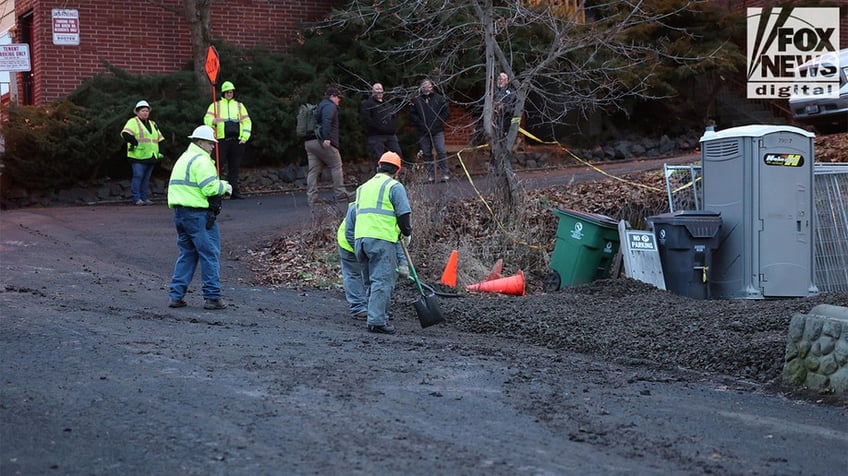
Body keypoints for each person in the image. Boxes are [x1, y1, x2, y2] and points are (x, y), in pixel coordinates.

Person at [166, 125, 232, 310]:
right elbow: (209, 188)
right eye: (211, 143)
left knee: (187, 254)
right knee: (210, 253)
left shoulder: (184, 157)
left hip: (180, 213)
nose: (213, 146)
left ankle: (175, 296)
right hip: (197, 214)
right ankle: (212, 297)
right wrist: (225, 186)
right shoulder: (202, 161)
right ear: (201, 142)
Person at [354, 152, 412, 335]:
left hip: (360, 239)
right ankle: (377, 321)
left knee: (371, 281)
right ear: (397, 170)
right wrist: (406, 232)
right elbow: (404, 214)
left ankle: (378, 313)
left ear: (378, 166)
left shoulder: (363, 187)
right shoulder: (395, 187)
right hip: (381, 240)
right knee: (382, 280)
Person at [338, 201, 409, 321]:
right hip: (348, 244)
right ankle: (359, 308)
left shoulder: (390, 214)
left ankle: (375, 309)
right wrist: (360, 252)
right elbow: (349, 233)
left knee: (377, 275)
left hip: (370, 245)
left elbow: (396, 241)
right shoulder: (357, 208)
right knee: (353, 274)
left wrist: (403, 263)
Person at [204, 81, 251, 199]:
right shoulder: (216, 105)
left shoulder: (239, 106)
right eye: (227, 92)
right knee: (217, 167)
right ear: (223, 93)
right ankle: (215, 191)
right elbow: (207, 118)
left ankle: (234, 191)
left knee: (234, 167)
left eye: (231, 92)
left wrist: (245, 137)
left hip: (237, 141)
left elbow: (247, 122)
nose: (229, 94)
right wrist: (212, 121)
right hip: (221, 140)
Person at [305, 87, 351, 207]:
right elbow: (327, 120)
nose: (339, 100)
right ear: (333, 96)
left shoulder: (321, 105)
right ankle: (340, 193)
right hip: (321, 141)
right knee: (336, 165)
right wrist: (327, 138)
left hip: (309, 142)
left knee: (313, 170)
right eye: (338, 98)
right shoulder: (330, 106)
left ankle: (312, 198)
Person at [121, 100, 165, 205]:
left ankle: (144, 198)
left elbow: (160, 138)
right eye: (142, 111)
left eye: (146, 111)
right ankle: (137, 198)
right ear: (137, 112)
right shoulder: (133, 122)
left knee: (146, 178)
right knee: (139, 176)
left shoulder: (153, 124)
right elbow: (125, 134)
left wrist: (162, 151)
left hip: (151, 155)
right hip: (138, 155)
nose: (145, 113)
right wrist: (134, 142)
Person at [410, 79, 451, 183]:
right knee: (427, 153)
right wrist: (421, 124)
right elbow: (413, 115)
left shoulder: (439, 99)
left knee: (441, 150)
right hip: (423, 131)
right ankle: (430, 175)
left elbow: (446, 112)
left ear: (432, 86)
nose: (426, 87)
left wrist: (439, 122)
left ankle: (445, 174)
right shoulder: (417, 100)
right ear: (421, 87)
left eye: (428, 85)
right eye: (424, 85)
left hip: (437, 130)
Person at [361, 82, 402, 168]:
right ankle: (379, 176)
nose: (379, 91)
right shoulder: (368, 104)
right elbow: (367, 120)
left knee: (397, 154)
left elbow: (394, 117)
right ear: (373, 91)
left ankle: (395, 175)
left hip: (390, 135)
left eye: (380, 89)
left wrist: (393, 128)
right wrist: (379, 127)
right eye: (377, 89)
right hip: (376, 136)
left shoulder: (388, 104)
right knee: (378, 158)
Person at [493, 72, 516, 141]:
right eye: (499, 79)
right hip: (492, 120)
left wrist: (503, 107)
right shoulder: (492, 91)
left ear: (507, 81)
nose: (500, 80)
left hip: (505, 121)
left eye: (502, 79)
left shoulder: (511, 93)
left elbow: (513, 108)